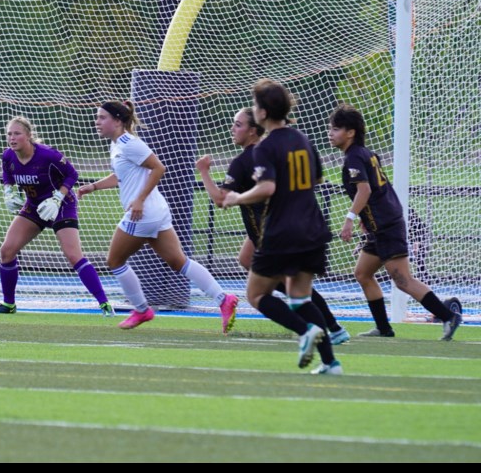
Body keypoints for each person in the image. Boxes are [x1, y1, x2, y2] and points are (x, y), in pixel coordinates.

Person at [76, 101, 239, 333]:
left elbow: (158, 167)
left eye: (102, 117)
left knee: (114, 261)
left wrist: (140, 199)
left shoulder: (129, 143)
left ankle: (142, 310)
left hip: (143, 214)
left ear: (118, 121)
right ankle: (224, 299)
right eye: (97, 117)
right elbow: (122, 175)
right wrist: (92, 187)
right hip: (156, 212)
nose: (97, 122)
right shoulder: (117, 145)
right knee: (178, 261)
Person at [197, 108, 350, 344]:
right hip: (290, 225)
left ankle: (320, 329)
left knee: (270, 291)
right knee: (248, 260)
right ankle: (328, 334)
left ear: (252, 130)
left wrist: (204, 172)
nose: (232, 129)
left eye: (238, 124)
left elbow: (220, 200)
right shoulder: (276, 150)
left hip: (274, 234)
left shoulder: (246, 160)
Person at [223, 80, 341, 374]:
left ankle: (305, 332)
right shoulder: (302, 138)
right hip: (313, 226)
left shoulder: (264, 148)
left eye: (254, 104)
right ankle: (331, 362)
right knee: (300, 297)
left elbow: (267, 187)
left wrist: (239, 197)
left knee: (257, 295)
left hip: (282, 230)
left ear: (262, 113)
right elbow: (315, 180)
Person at [328, 104, 461, 340]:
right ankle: (384, 328)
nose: (331, 133)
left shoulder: (354, 157)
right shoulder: (364, 154)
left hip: (386, 226)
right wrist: (364, 218)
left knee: (403, 280)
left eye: (336, 128)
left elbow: (365, 190)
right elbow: (378, 190)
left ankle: (448, 316)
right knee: (362, 273)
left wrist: (349, 218)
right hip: (379, 225)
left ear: (350, 133)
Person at [0, 116, 112, 315]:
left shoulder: (47, 155)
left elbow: (72, 174)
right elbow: (8, 174)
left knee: (73, 255)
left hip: (62, 205)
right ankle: (8, 304)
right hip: (35, 206)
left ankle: (104, 303)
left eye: (17, 133)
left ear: (29, 136)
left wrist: (57, 198)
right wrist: (8, 191)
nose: (12, 138)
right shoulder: (8, 156)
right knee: (7, 250)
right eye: (9, 134)